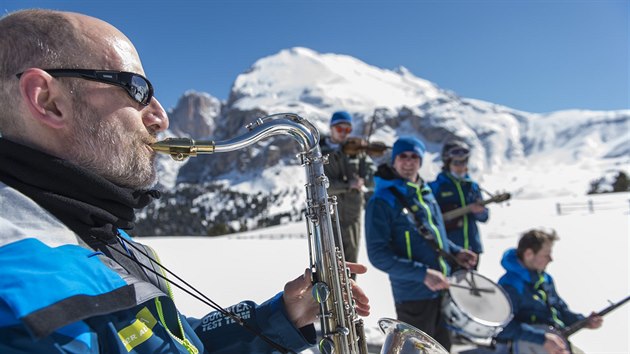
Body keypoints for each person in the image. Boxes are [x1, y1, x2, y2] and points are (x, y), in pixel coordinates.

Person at [0, 9, 369, 354]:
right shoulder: (20, 301)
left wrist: (283, 317)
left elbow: (173, 341)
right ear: (47, 100)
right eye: (137, 89)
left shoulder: (98, 232)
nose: (162, 117)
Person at [365, 136, 478, 351]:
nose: (409, 162)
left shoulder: (426, 193)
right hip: (412, 295)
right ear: (394, 160)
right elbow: (378, 255)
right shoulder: (381, 200)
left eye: (414, 157)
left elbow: (437, 235)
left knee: (442, 349)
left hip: (441, 289)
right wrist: (422, 274)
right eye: (403, 156)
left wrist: (455, 252)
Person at [495, 229, 603, 354]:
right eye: (546, 254)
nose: (551, 259)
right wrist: (542, 339)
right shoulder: (510, 284)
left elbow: (561, 311)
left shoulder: (545, 279)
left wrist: (585, 321)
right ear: (529, 254)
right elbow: (503, 327)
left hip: (553, 341)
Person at [319, 111, 375, 265]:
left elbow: (372, 181)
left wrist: (365, 179)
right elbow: (321, 186)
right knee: (331, 263)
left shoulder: (357, 152)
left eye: (348, 130)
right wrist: (347, 185)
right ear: (331, 128)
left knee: (351, 262)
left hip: (352, 215)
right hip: (328, 215)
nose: (344, 133)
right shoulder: (318, 152)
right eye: (340, 129)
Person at [429, 140, 488, 269]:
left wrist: (480, 212)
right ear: (447, 163)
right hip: (448, 251)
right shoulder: (435, 187)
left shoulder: (472, 186)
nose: (461, 166)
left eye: (464, 162)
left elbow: (485, 217)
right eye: (456, 162)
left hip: (473, 249)